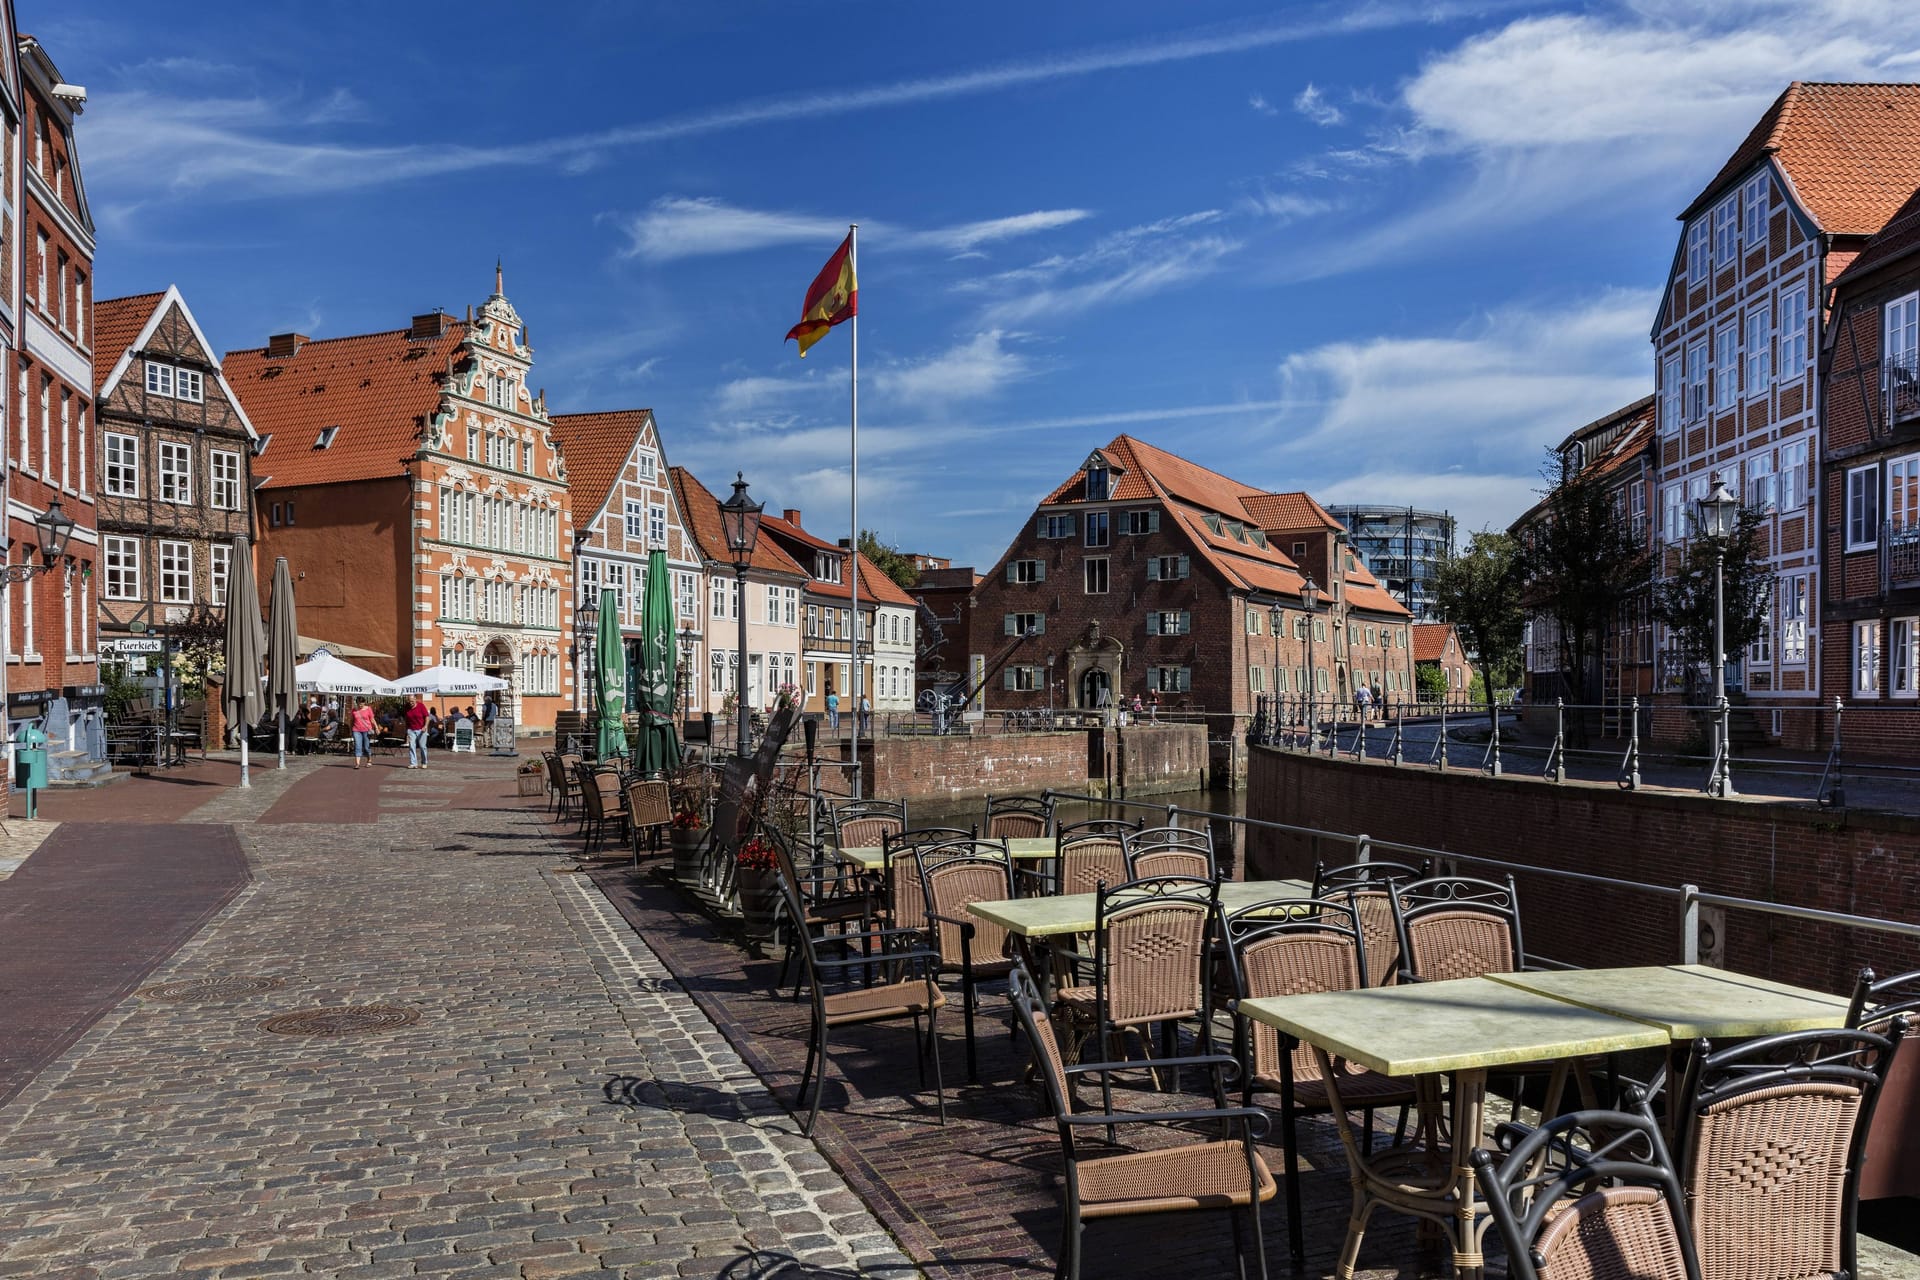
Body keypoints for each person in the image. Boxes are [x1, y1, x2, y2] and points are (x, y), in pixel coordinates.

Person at [405, 694, 430, 770]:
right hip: (411, 729)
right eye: (409, 701)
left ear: (415, 699)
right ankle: (413, 763)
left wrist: (425, 726)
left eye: (412, 701)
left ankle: (424, 762)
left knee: (422, 747)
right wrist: (407, 730)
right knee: (412, 746)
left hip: (421, 729)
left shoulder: (421, 706)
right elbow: (406, 719)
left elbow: (427, 717)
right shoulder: (406, 707)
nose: (411, 703)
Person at [349, 697, 376, 769]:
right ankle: (357, 763)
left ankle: (369, 760)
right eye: (358, 704)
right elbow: (351, 720)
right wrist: (350, 729)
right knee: (358, 746)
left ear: (364, 703)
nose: (360, 705)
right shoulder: (354, 710)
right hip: (356, 730)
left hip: (366, 730)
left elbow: (372, 719)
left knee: (366, 747)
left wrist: (376, 727)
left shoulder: (368, 709)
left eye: (361, 704)